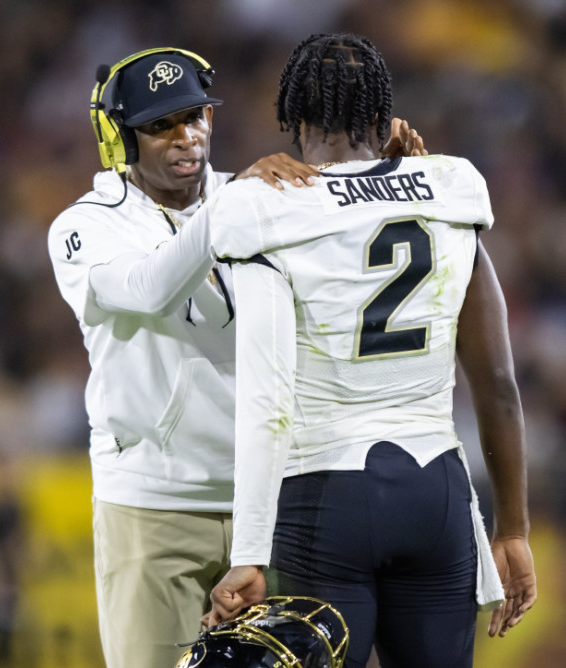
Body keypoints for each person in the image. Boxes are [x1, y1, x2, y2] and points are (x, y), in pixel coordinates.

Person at [45, 46, 426, 668]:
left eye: (194, 116)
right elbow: (147, 288)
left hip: (272, 503)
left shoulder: (254, 195)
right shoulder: (84, 225)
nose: (186, 137)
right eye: (159, 125)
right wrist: (237, 203)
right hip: (153, 503)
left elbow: (354, 255)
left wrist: (382, 174)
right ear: (119, 139)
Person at [202, 34, 538, 668]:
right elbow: (498, 381)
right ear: (384, 117)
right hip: (436, 492)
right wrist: (514, 529)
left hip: (324, 495)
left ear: (295, 118)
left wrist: (248, 552)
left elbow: (268, 400)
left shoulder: (260, 204)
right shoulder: (451, 185)